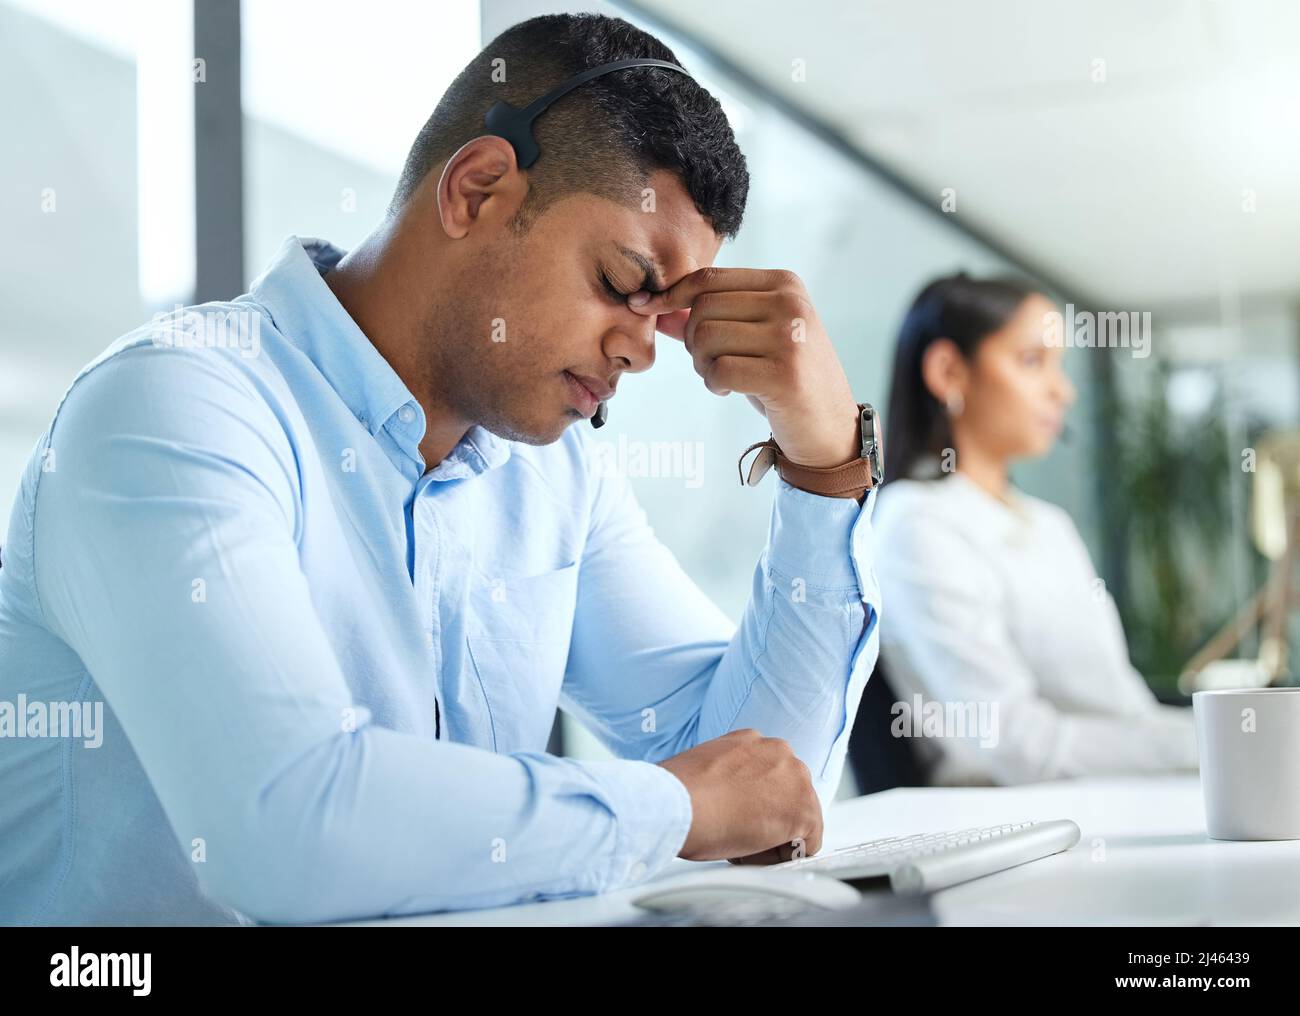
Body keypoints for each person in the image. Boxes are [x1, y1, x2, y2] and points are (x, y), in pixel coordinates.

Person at [0, 13, 881, 926]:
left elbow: (763, 785)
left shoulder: (553, 476)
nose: (642, 352)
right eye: (624, 283)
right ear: (478, 188)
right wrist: (674, 806)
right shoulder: (176, 408)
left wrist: (825, 466)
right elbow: (285, 829)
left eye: (666, 315)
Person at [849, 273, 1196, 789]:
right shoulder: (915, 524)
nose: (1064, 390)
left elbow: (1123, 705)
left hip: (1116, 795)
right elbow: (1014, 745)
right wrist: (1200, 743)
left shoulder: (1049, 524)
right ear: (949, 371)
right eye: (1032, 361)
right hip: (1017, 819)